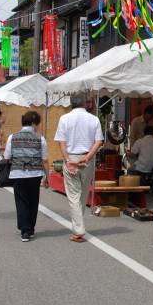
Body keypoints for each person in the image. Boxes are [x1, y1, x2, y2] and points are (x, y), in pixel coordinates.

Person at [54, 94, 103, 243]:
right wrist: (87, 157)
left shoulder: (64, 119)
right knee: (82, 194)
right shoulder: (94, 119)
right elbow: (99, 141)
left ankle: (79, 229)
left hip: (72, 157)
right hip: (87, 158)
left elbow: (61, 142)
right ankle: (78, 226)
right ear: (85, 103)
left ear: (71, 103)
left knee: (74, 195)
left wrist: (68, 161)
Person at [4, 111, 49, 242]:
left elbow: (7, 157)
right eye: (38, 124)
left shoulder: (12, 137)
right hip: (35, 174)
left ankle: (24, 230)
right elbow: (45, 160)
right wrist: (47, 177)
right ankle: (31, 228)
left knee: (21, 201)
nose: (38, 127)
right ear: (34, 123)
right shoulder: (41, 138)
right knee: (33, 201)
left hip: (18, 173)